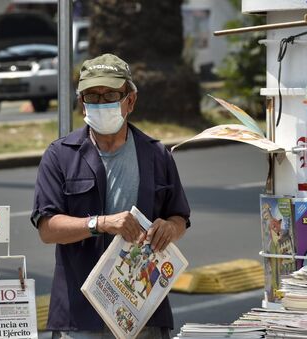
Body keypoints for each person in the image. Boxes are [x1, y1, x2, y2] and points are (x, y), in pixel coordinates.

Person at [31, 53, 191, 339]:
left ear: (130, 100)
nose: (101, 103)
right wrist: (100, 223)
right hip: (80, 315)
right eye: (93, 96)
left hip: (144, 314)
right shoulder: (60, 156)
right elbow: (47, 228)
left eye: (110, 95)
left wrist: (169, 228)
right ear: (82, 103)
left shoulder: (156, 155)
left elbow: (179, 216)